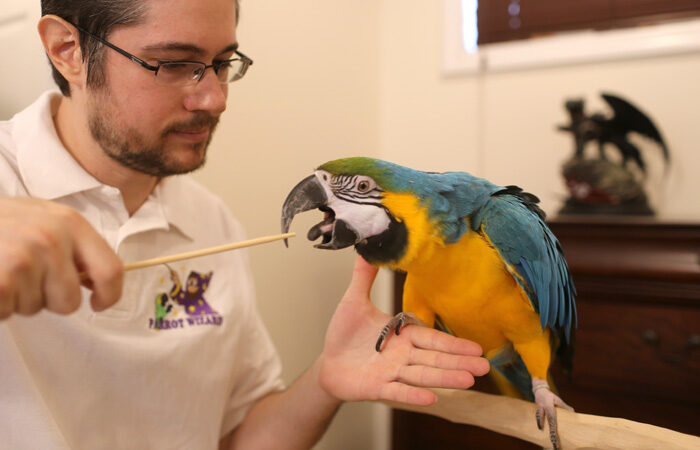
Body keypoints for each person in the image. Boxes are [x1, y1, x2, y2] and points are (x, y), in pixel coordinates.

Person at [0, 0, 490, 448]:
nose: (215, 99)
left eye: (221, 64)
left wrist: (326, 378)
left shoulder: (211, 221)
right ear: (68, 50)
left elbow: (239, 437)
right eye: (173, 64)